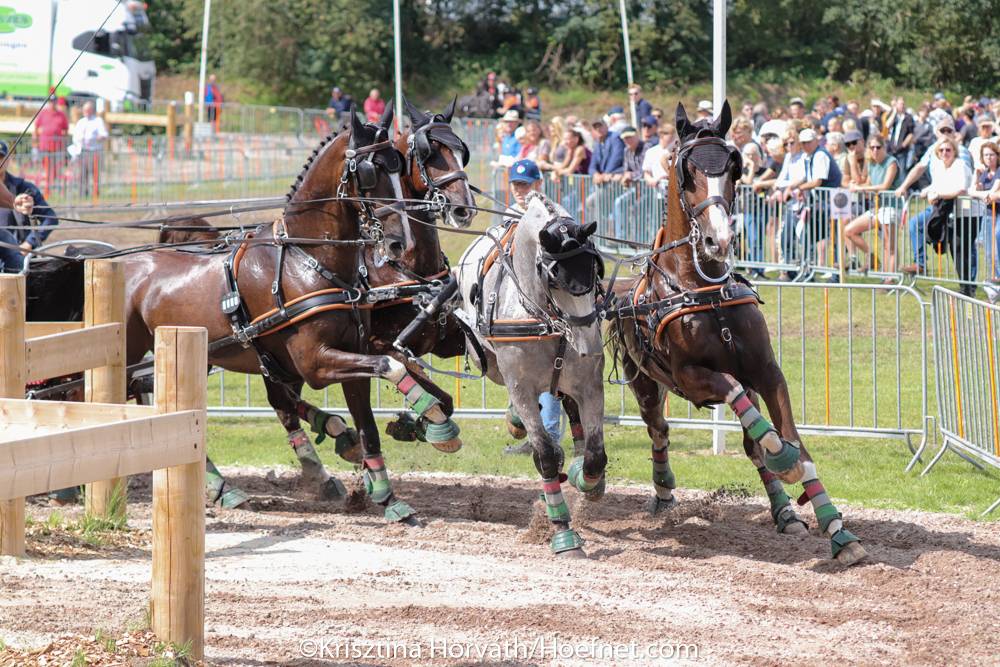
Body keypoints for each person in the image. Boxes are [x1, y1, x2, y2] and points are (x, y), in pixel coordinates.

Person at [501, 159, 565, 454]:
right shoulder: (507, 214)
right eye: (516, 184)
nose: (519, 190)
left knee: (549, 369)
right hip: (515, 303)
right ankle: (534, 431)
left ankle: (549, 434)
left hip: (548, 303)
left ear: (538, 184)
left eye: (525, 184)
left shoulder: (550, 213)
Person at [900, 137, 974, 294]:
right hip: (950, 211)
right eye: (941, 150)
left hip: (968, 212)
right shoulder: (941, 167)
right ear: (937, 153)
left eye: (948, 150)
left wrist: (937, 194)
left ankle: (968, 287)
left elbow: (960, 190)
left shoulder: (960, 165)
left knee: (962, 248)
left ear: (954, 151)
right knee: (955, 248)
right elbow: (937, 185)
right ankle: (965, 287)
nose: (945, 153)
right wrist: (926, 191)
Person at [842, 135, 903, 276]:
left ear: (884, 147)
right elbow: (867, 184)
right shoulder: (870, 163)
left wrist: (860, 188)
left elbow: (884, 186)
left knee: (889, 246)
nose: (875, 150)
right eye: (872, 147)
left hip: (891, 207)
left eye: (878, 147)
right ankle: (871, 256)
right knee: (849, 230)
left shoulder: (891, 162)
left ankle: (889, 279)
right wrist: (854, 185)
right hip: (877, 208)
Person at [0, 141, 59, 273]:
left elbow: (50, 217)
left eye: (1, 157)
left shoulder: (25, 188)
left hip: (20, 257)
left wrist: (29, 243)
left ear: (9, 159)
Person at [970, 141, 1000, 297]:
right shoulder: (984, 173)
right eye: (986, 155)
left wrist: (984, 195)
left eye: (992, 154)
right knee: (989, 251)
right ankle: (995, 282)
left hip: (998, 213)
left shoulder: (999, 171)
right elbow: (973, 191)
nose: (989, 157)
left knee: (997, 238)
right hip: (988, 215)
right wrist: (976, 176)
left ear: (997, 155)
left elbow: (992, 192)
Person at [611, 126, 646, 239]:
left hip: (648, 189)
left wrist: (631, 175)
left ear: (637, 136)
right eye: (625, 138)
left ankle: (639, 239)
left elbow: (645, 171)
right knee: (619, 202)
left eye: (630, 137)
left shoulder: (646, 147)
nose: (627, 140)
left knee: (637, 208)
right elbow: (626, 169)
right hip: (634, 188)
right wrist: (625, 176)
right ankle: (621, 238)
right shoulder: (626, 150)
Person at [72, 101, 108, 197]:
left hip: (94, 151)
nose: (86, 112)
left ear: (92, 110)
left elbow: (104, 134)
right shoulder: (81, 122)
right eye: (84, 110)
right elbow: (75, 137)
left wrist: (99, 138)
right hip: (83, 151)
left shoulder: (98, 121)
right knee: (83, 173)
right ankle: (83, 193)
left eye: (88, 110)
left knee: (95, 173)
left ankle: (96, 192)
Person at [33, 95, 69, 189]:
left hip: (57, 146)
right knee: (46, 165)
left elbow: (65, 129)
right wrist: (35, 140)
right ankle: (48, 185)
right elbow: (36, 126)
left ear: (56, 102)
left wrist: (64, 141)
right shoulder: (43, 113)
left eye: (54, 101)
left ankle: (51, 184)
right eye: (51, 101)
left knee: (55, 166)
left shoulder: (61, 114)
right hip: (45, 145)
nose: (52, 103)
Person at [885, 97, 914, 171]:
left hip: (902, 149)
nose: (902, 106)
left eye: (903, 104)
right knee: (891, 170)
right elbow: (887, 126)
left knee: (901, 171)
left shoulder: (908, 117)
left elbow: (911, 133)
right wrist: (894, 112)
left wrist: (903, 145)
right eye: (900, 104)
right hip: (891, 148)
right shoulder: (893, 116)